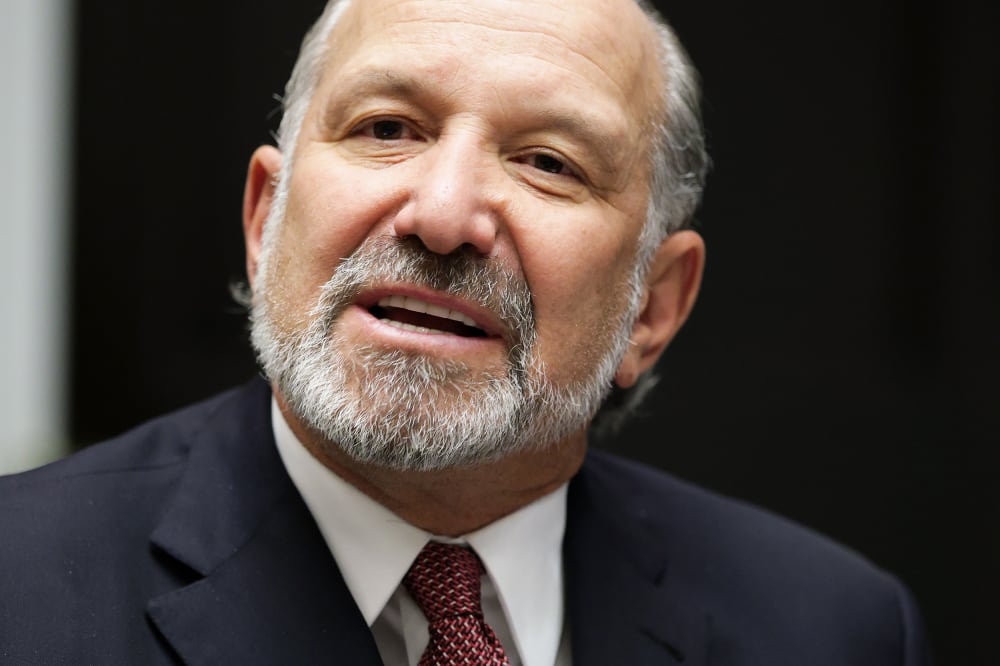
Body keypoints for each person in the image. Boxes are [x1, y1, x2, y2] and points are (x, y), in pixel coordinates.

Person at [0, 0, 932, 663]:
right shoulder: (20, 589)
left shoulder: (832, 630)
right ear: (264, 221)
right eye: (387, 127)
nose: (443, 216)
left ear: (652, 306)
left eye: (547, 163)